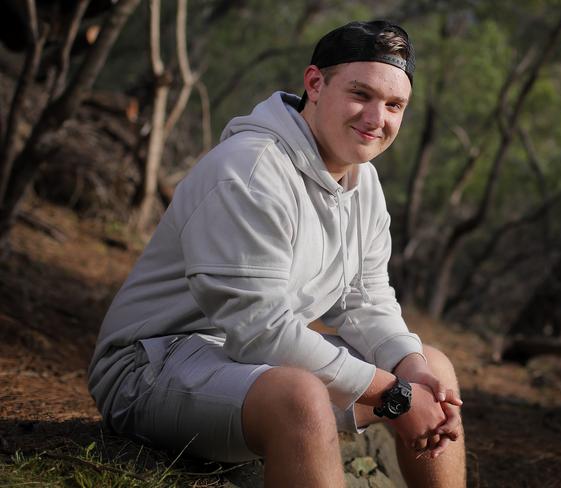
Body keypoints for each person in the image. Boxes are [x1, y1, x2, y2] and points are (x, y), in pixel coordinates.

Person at [88, 20, 465, 487]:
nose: (376, 118)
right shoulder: (250, 170)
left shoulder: (362, 181)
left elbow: (365, 299)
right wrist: (394, 396)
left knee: (434, 366)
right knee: (300, 398)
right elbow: (259, 330)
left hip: (244, 361)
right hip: (149, 365)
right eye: (360, 94)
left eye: (393, 105)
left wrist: (411, 374)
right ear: (315, 83)